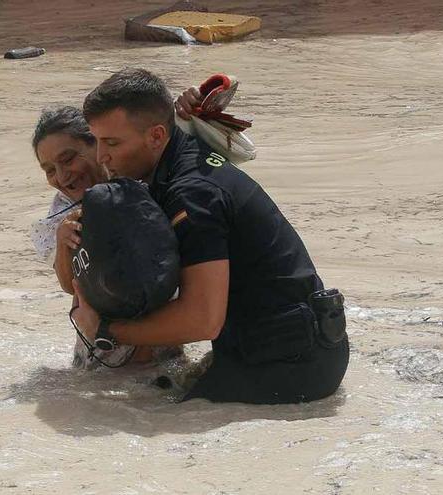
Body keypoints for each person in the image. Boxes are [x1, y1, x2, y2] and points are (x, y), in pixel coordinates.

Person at [70, 68, 349, 404]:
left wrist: (104, 331)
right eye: (97, 141)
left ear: (157, 136)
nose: (101, 157)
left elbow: (202, 320)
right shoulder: (185, 156)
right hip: (297, 345)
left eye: (112, 143)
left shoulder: (193, 193)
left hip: (291, 367)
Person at [29, 106, 181, 368]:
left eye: (68, 159)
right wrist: (62, 241)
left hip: (158, 340)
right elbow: (69, 286)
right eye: (49, 170)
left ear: (98, 144)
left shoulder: (138, 187)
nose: (62, 177)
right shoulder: (63, 209)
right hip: (98, 351)